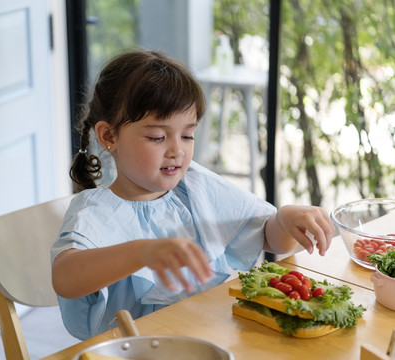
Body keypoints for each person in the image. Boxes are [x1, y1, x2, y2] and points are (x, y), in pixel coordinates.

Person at [51, 49, 334, 340]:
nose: (177, 150)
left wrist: (285, 219)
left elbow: (269, 238)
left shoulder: (195, 187)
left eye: (187, 135)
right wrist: (142, 252)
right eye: (157, 137)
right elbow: (65, 278)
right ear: (109, 137)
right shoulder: (94, 210)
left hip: (209, 338)